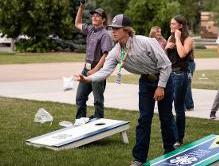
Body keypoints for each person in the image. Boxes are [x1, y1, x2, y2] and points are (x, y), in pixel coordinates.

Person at [74, 14, 177, 166]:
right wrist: (87, 79)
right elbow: (105, 71)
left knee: (166, 118)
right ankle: (139, 159)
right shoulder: (116, 51)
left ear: (127, 30)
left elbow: (166, 66)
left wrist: (161, 86)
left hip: (165, 79)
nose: (113, 32)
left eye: (117, 29)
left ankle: (171, 154)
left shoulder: (146, 42)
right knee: (144, 119)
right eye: (112, 29)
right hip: (146, 82)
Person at [74, 1, 113, 120]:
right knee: (80, 97)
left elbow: (105, 54)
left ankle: (98, 122)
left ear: (103, 20)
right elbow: (77, 23)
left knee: (98, 100)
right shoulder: (90, 29)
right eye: (93, 15)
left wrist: (96, 69)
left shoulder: (105, 34)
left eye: (98, 16)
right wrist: (81, 8)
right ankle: (80, 121)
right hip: (86, 69)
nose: (94, 17)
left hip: (98, 71)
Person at [165, 15, 194, 147]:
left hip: (181, 75)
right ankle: (173, 135)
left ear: (180, 26)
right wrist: (167, 48)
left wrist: (177, 38)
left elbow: (182, 54)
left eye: (173, 24)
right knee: (166, 107)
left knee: (178, 107)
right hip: (170, 75)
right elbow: (164, 58)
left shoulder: (188, 39)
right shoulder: (170, 38)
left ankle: (178, 139)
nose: (171, 26)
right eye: (170, 24)